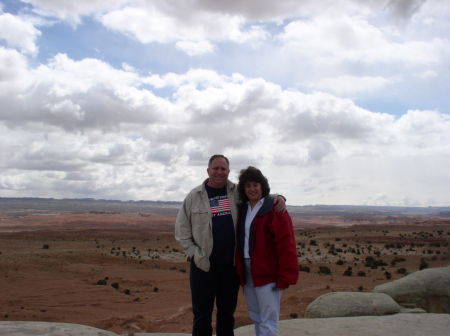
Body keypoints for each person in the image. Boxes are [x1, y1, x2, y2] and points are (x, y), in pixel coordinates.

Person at [175, 155, 286, 336]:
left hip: (230, 268)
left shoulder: (236, 192)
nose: (219, 172)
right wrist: (195, 254)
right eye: (215, 168)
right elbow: (182, 231)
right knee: (202, 315)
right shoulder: (194, 196)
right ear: (208, 170)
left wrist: (278, 197)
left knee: (226, 315)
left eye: (223, 169)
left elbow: (257, 194)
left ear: (228, 171)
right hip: (203, 266)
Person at [235, 166, 298, 336]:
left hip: (268, 271)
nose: (252, 189)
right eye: (248, 186)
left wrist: (285, 276)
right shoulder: (243, 208)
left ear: (262, 186)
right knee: (256, 315)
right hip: (248, 271)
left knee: (268, 318)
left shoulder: (274, 208)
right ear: (243, 189)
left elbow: (287, 244)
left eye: (255, 185)